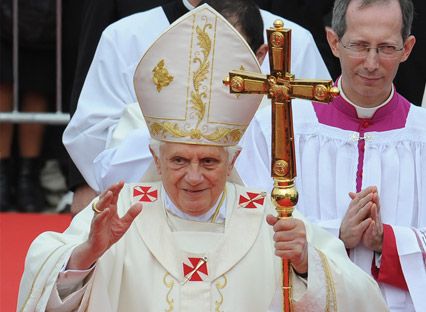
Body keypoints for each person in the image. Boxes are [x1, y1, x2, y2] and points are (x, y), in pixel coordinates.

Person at [17, 6, 387, 311]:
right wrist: (87, 256)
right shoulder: (118, 215)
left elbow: (367, 301)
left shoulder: (272, 220)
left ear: (233, 160)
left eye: (209, 162)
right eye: (179, 161)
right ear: (155, 159)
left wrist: (307, 266)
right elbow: (42, 283)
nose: (193, 177)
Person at [237, 0, 426, 310]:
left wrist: (386, 241)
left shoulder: (421, 134)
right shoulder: (279, 125)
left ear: (407, 48)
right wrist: (337, 235)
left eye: (386, 48)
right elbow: (246, 226)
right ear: (334, 42)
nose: (371, 62)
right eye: (360, 45)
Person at [62, 0, 331, 215]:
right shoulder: (126, 35)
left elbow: (317, 138)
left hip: (258, 217)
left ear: (260, 55)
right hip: (155, 213)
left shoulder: (294, 40)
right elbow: (94, 136)